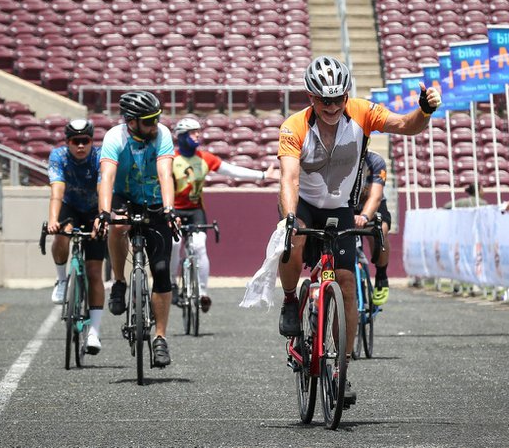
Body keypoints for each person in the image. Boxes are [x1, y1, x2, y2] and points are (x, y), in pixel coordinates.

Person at [277, 55, 441, 406]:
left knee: (347, 283)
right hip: (304, 202)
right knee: (292, 239)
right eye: (325, 100)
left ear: (346, 95)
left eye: (339, 98)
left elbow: (406, 125)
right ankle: (291, 301)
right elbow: (289, 177)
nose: (333, 107)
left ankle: (341, 368)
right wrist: (291, 217)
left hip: (340, 207)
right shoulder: (294, 127)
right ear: (311, 97)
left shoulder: (363, 112)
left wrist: (424, 111)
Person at [94, 91, 180, 368]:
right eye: (148, 120)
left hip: (155, 199)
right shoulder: (114, 137)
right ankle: (119, 281)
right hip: (124, 197)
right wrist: (104, 212)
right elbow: (106, 176)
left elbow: (165, 172)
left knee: (163, 270)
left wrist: (169, 207)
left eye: (157, 118)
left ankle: (160, 338)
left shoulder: (162, 134)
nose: (155, 124)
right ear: (131, 122)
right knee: (117, 226)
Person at [169, 116, 280, 312]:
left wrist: (262, 175)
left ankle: (203, 292)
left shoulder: (204, 158)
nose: (197, 135)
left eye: (198, 131)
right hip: (174, 209)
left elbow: (231, 171)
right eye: (192, 132)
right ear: (182, 136)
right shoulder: (171, 159)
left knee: (200, 246)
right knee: (174, 244)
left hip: (195, 211)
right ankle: (172, 284)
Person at [46, 118, 105, 354]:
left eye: (85, 141)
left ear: (91, 141)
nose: (80, 146)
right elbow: (56, 191)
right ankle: (62, 280)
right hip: (70, 206)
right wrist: (53, 220)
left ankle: (95, 333)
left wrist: (103, 216)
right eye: (75, 141)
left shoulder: (100, 157)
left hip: (94, 210)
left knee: (93, 272)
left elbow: (104, 189)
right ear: (67, 142)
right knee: (61, 235)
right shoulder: (58, 156)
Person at [352, 150, 392, 305]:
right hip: (346, 205)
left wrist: (364, 217)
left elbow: (375, 197)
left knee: (380, 230)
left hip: (372, 204)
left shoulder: (376, 161)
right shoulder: (337, 158)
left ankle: (382, 276)